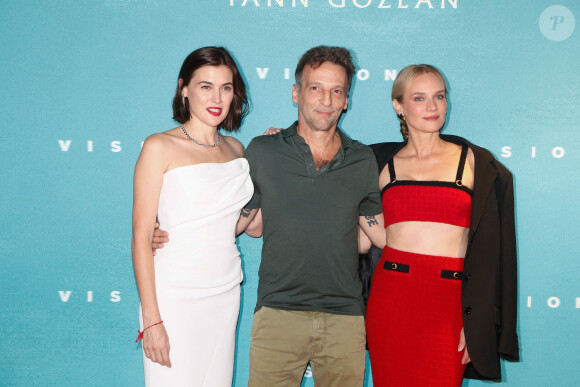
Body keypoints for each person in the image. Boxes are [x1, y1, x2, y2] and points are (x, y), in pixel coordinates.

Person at [238, 46, 386, 386]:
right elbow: (240, 222)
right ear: (296, 93)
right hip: (278, 313)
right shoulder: (263, 151)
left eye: (337, 91)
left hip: (345, 319)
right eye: (315, 87)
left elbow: (380, 233)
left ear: (347, 100)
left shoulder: (362, 159)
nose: (327, 100)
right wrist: (169, 229)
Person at [363, 65, 519, 386]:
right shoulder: (379, 166)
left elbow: (493, 252)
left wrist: (479, 319)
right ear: (399, 106)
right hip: (391, 299)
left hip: (449, 304)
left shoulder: (477, 163)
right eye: (419, 98)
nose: (432, 107)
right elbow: (373, 238)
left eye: (439, 96)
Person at [131, 46, 255, 386]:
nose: (217, 97)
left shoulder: (236, 150)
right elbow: (142, 237)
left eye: (226, 87)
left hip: (225, 290)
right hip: (174, 295)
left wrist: (273, 161)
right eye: (205, 86)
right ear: (184, 88)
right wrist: (152, 321)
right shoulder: (159, 146)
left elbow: (237, 226)